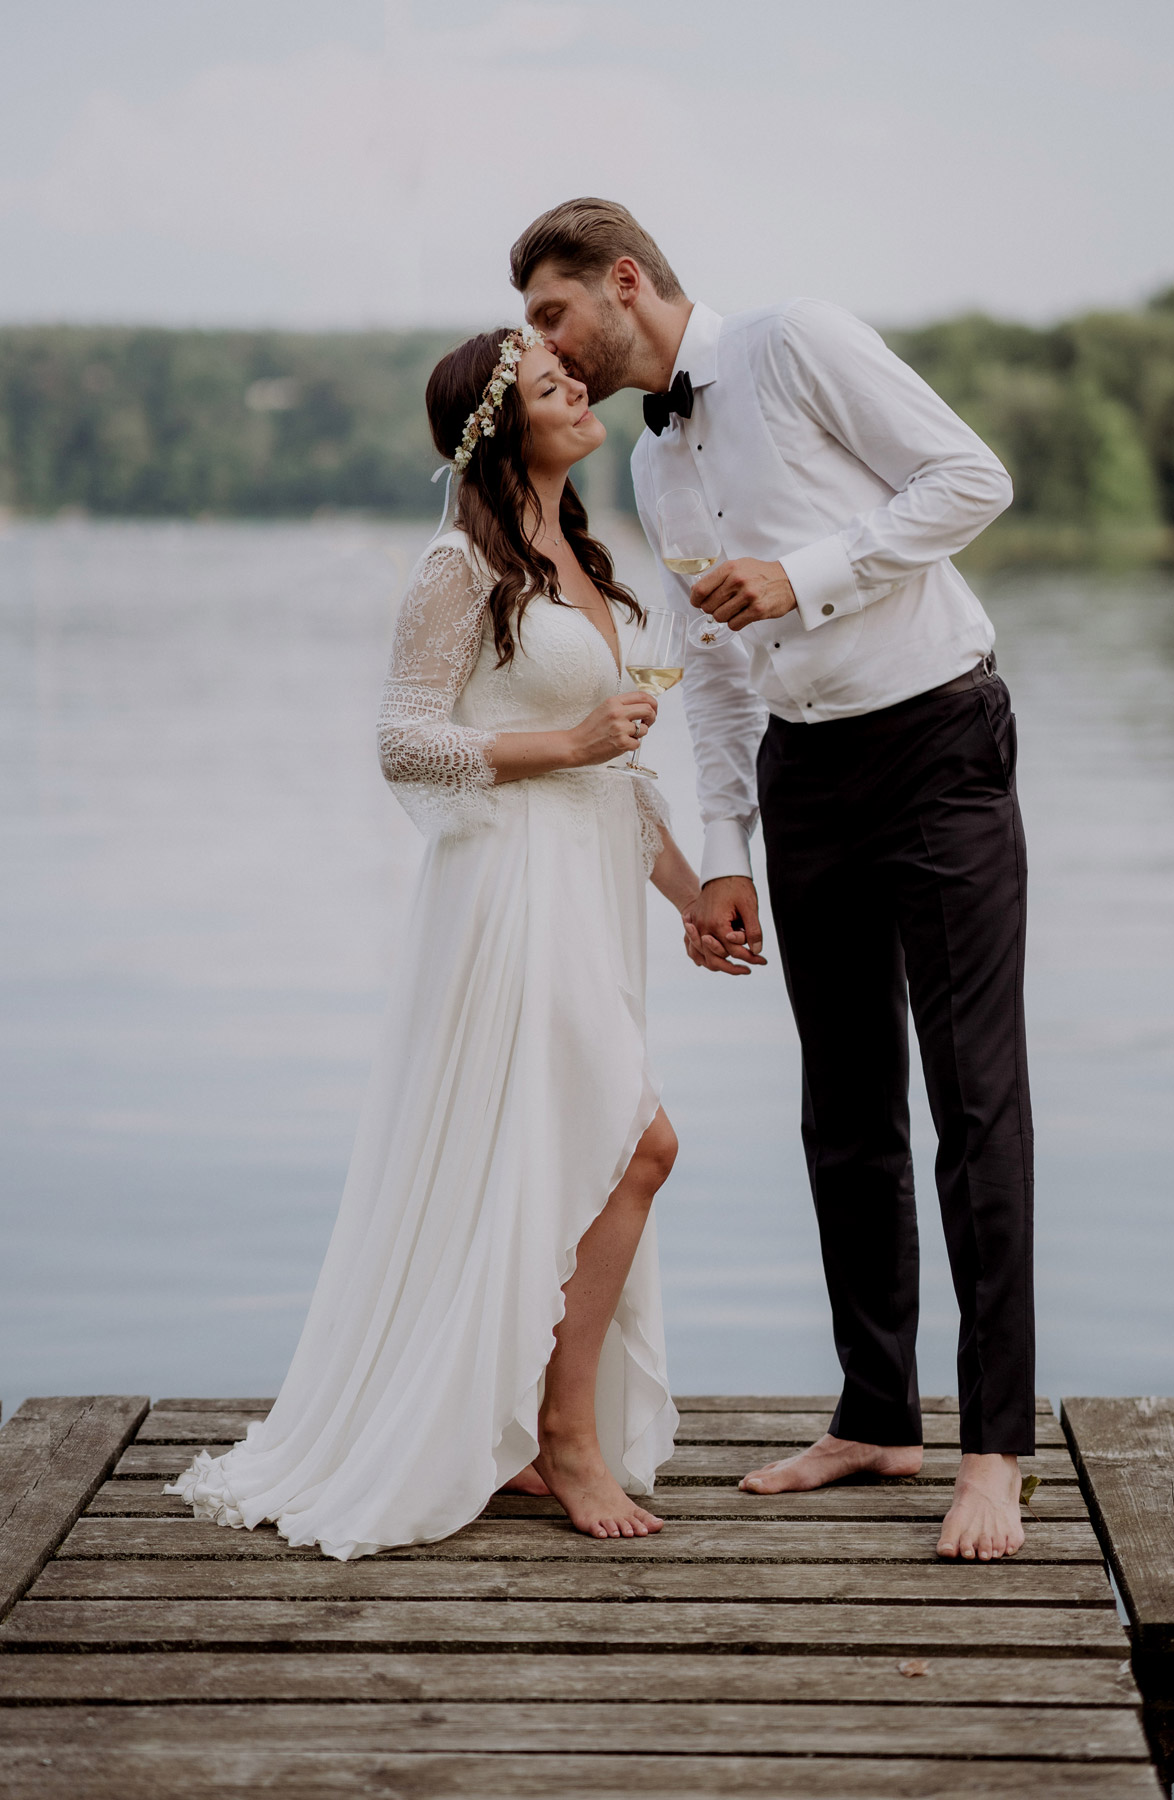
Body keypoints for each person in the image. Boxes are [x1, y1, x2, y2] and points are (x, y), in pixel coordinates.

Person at [512, 197, 1034, 1563]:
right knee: (843, 1105)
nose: (547, 346)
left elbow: (973, 480)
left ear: (624, 280)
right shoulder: (655, 464)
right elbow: (715, 678)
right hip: (806, 780)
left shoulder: (798, 343)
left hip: (935, 737)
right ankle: (877, 1412)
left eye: (556, 312)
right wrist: (727, 857)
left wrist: (803, 574)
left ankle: (995, 1452)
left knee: (974, 1100)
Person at [167, 323, 702, 1554]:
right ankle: (566, 1440)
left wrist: (694, 896)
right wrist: (565, 744)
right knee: (640, 1143)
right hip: (510, 894)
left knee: (574, 1149)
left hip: (593, 889)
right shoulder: (460, 565)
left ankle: (516, 1427)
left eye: (579, 381)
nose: (585, 394)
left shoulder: (581, 556)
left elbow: (622, 780)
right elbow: (403, 740)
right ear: (502, 427)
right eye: (559, 387)